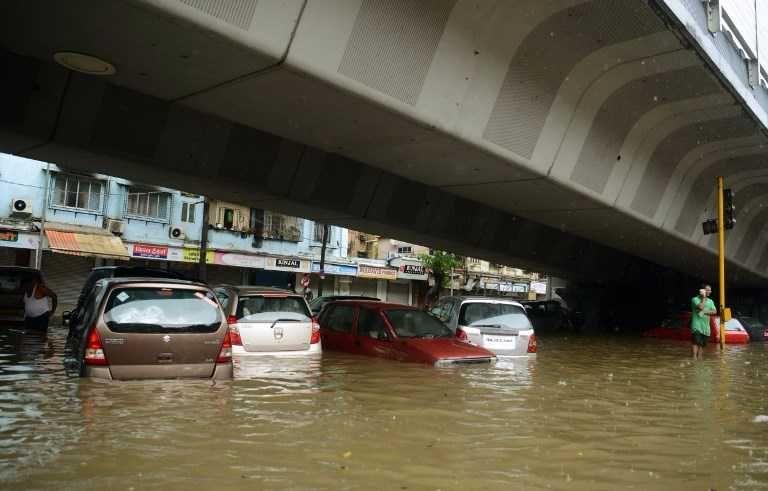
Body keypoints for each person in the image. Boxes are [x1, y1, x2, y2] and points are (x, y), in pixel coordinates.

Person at [691, 284, 716, 360]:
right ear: (702, 291)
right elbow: (701, 306)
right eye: (707, 290)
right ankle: (694, 358)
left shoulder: (711, 301)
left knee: (702, 344)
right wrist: (704, 297)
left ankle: (699, 358)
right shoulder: (695, 299)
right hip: (696, 325)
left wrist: (705, 312)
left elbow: (714, 311)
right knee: (696, 342)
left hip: (706, 327)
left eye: (710, 290)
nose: (709, 291)